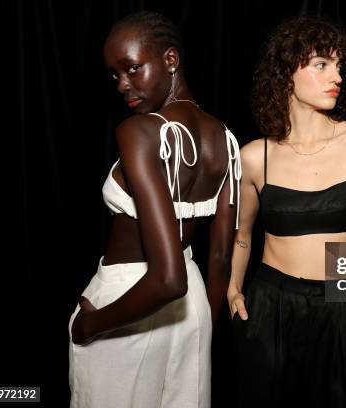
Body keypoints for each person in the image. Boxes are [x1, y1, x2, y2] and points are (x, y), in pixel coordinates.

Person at [68, 11, 240, 408]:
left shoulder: (140, 132)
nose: (123, 85)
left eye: (132, 68)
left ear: (170, 59)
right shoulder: (226, 139)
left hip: (127, 299)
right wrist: (202, 329)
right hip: (193, 305)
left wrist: (90, 325)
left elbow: (167, 279)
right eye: (115, 76)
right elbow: (220, 256)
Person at [228, 16, 346, 407]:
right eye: (322, 64)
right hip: (271, 304)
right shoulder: (255, 157)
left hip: (343, 304)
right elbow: (243, 233)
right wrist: (233, 289)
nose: (336, 76)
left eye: (339, 66)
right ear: (287, 73)